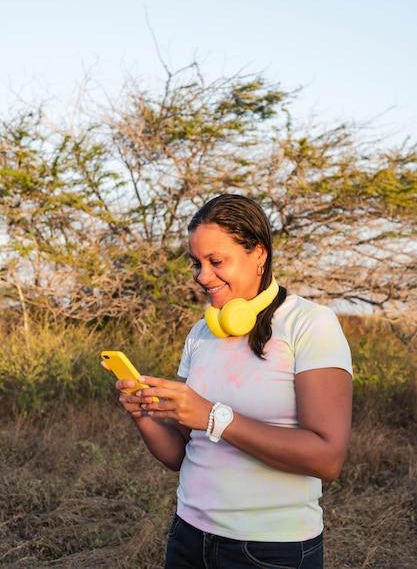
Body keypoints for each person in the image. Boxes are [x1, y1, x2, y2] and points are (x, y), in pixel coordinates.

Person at [117, 194, 353, 569]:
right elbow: (179, 452)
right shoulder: (201, 333)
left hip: (270, 550)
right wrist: (143, 414)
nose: (202, 276)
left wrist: (214, 417)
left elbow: (327, 458)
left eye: (216, 261)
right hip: (189, 537)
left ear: (259, 253)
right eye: (196, 263)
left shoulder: (311, 324)